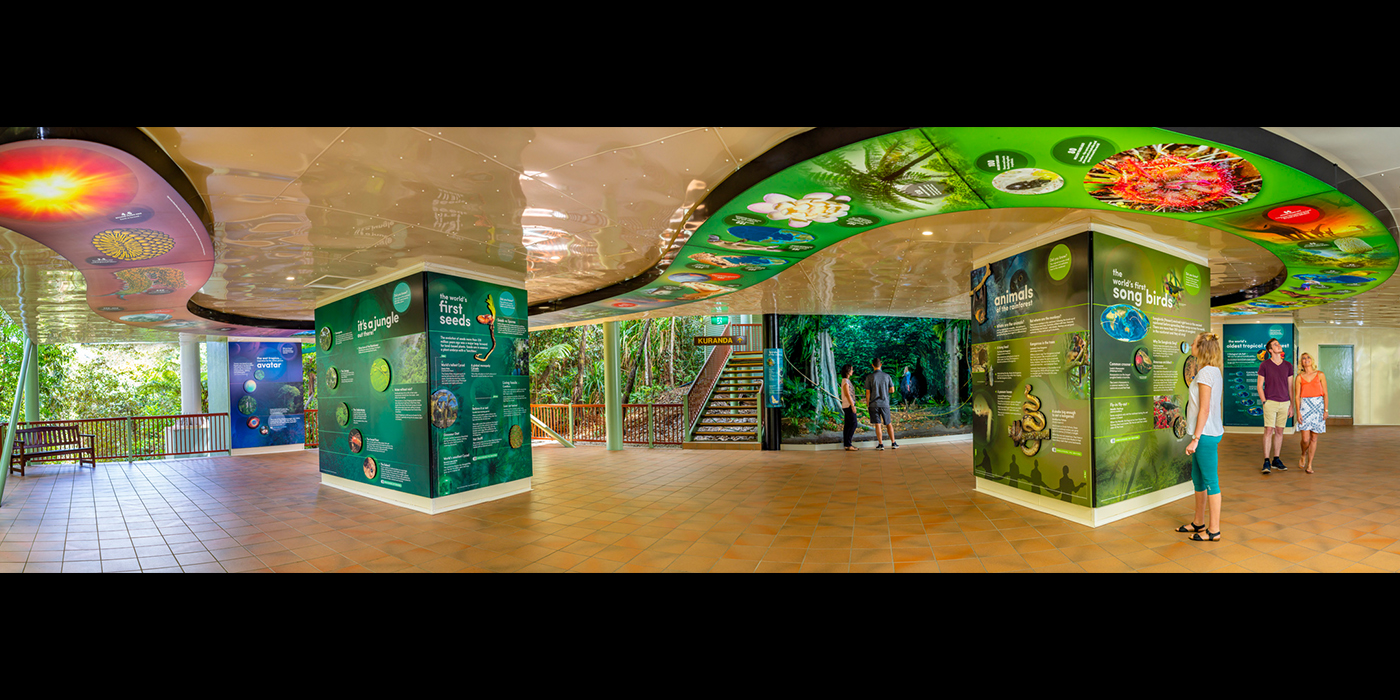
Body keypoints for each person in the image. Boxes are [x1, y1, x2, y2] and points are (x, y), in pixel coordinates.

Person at [1180, 332, 1225, 542]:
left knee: (1210, 481)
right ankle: (1199, 522)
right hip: (1205, 433)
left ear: (1202, 348)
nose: (1191, 345)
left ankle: (1214, 530)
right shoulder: (1212, 371)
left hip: (1205, 435)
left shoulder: (1206, 373)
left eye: (1194, 343)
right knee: (1198, 479)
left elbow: (1204, 409)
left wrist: (1196, 439)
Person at [1257, 338, 1293, 474]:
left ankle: (1276, 459)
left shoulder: (1288, 366)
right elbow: (1259, 386)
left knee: (1279, 431)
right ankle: (1266, 461)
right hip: (1270, 402)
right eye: (1275, 345)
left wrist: (1292, 405)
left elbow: (1290, 387)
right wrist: (1264, 402)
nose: (1279, 345)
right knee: (1268, 430)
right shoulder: (1264, 365)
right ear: (1270, 350)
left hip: (1285, 403)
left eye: (1278, 343)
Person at [1293, 352, 1328, 474]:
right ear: (1301, 363)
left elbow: (1325, 394)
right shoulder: (1299, 377)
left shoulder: (1320, 374)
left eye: (1308, 357)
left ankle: (1309, 464)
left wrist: (1326, 410)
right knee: (1305, 439)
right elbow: (1297, 397)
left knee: (1314, 438)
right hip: (1305, 407)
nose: (1306, 359)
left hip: (1318, 407)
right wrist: (1298, 412)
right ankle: (1303, 453)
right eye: (1303, 358)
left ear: (1312, 360)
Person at [864, 358, 899, 450]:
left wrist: (868, 403)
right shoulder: (887, 376)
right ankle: (893, 443)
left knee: (877, 424)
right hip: (884, 403)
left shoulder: (869, 377)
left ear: (872, 365)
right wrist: (884, 391)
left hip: (874, 404)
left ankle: (881, 444)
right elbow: (892, 390)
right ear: (881, 365)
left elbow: (868, 392)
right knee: (888, 423)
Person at [840, 364, 859, 452]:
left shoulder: (845, 381)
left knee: (848, 425)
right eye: (851, 369)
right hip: (848, 405)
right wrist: (852, 405)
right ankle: (848, 444)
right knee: (854, 424)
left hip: (846, 405)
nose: (852, 371)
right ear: (847, 371)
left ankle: (847, 445)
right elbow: (847, 394)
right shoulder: (846, 382)